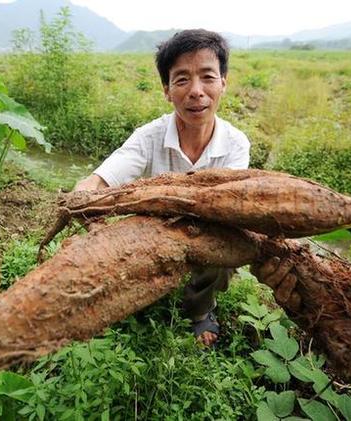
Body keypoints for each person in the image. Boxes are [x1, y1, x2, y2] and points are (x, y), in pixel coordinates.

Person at [75, 29, 297, 346]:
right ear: (167, 90)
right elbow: (107, 175)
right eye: (181, 80)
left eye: (207, 77)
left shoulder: (235, 144)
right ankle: (138, 295)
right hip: (153, 232)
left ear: (223, 82)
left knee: (227, 247)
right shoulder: (148, 137)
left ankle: (200, 308)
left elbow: (229, 205)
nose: (196, 91)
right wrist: (85, 192)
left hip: (207, 231)